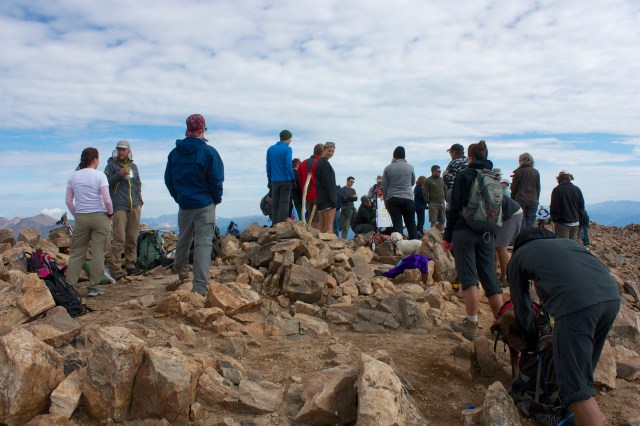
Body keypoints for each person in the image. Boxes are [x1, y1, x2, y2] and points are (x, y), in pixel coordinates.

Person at [508, 228, 620, 426]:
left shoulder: (518, 257)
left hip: (576, 306)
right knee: (582, 372)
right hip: (611, 297)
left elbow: (523, 307)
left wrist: (531, 339)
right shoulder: (569, 244)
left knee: (575, 388)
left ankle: (578, 412)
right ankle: (571, 415)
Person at [443, 140, 504, 341]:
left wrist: (447, 236)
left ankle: (470, 325)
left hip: (464, 231)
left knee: (469, 279)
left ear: (469, 157)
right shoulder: (494, 177)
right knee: (490, 279)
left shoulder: (464, 176)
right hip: (488, 233)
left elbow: (452, 209)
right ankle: (502, 324)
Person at [165, 114, 224, 296]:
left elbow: (169, 180)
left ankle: (182, 271)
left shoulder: (175, 153)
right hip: (205, 202)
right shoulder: (209, 152)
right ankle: (199, 286)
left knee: (183, 238)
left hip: (185, 203)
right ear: (202, 130)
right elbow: (216, 179)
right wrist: (216, 199)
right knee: (203, 244)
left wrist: (179, 197)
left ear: (187, 130)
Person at [65, 147, 114, 298]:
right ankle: (93, 287)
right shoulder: (100, 176)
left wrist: (77, 215)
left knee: (77, 252)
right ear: (95, 160)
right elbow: (106, 199)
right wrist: (110, 213)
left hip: (81, 217)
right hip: (100, 217)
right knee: (98, 252)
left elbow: (68, 201)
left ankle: (69, 287)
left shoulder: (73, 177)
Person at [104, 140, 143, 280]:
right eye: (119, 149)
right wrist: (118, 174)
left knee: (132, 237)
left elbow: (137, 183)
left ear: (128, 151)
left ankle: (131, 265)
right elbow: (105, 183)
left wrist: (140, 201)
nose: (121, 152)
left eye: (123, 150)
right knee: (119, 238)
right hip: (119, 205)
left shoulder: (133, 166)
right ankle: (116, 268)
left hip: (134, 205)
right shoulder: (111, 166)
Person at [382, 146, 419, 240]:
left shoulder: (388, 168)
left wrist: (386, 202)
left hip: (392, 198)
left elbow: (384, 187)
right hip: (408, 198)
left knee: (397, 225)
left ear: (393, 156)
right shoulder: (410, 167)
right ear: (404, 156)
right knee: (411, 224)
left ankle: (399, 249)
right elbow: (412, 183)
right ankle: (415, 249)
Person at [266, 130, 295, 224]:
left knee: (275, 204)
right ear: (288, 138)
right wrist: (293, 178)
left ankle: (274, 225)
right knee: (284, 203)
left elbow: (268, 166)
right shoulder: (288, 149)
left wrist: (269, 180)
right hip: (285, 180)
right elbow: (288, 164)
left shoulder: (270, 149)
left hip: (274, 180)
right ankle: (281, 226)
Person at [550, 170, 585, 241]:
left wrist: (555, 220)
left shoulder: (557, 190)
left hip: (563, 223)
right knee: (573, 245)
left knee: (563, 245)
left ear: (559, 179)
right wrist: (581, 223)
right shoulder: (577, 189)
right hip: (575, 222)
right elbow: (581, 207)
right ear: (569, 178)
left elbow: (554, 207)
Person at [495, 195, 522, 285]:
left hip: (511, 213)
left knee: (500, 245)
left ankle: (506, 277)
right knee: (494, 244)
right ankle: (493, 273)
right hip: (504, 212)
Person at [510, 152, 540, 229]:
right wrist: (536, 199)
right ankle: (529, 239)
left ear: (522, 160)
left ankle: (522, 239)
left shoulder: (518, 172)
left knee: (521, 223)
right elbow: (538, 188)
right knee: (530, 223)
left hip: (520, 200)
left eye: (519, 160)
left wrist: (512, 200)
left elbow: (514, 188)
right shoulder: (535, 172)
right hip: (533, 200)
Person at [298, 143, 324, 228]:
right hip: (318, 196)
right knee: (318, 220)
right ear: (322, 152)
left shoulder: (302, 164)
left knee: (310, 218)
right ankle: (315, 239)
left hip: (306, 197)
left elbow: (299, 180)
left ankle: (310, 237)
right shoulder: (320, 163)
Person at [315, 142, 337, 233]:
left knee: (322, 223)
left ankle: (320, 244)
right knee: (329, 224)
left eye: (332, 151)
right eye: (329, 151)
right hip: (327, 199)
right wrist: (333, 201)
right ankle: (329, 245)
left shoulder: (319, 162)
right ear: (323, 150)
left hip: (320, 198)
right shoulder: (325, 164)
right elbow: (328, 183)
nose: (331, 153)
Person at [423, 165, 446, 232]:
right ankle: (433, 237)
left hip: (441, 202)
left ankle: (442, 237)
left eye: (440, 171)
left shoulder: (442, 180)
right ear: (433, 171)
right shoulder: (428, 180)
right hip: (433, 203)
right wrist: (428, 202)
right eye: (438, 171)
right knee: (433, 221)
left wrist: (446, 199)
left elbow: (445, 189)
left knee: (442, 221)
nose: (440, 172)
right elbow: (425, 192)